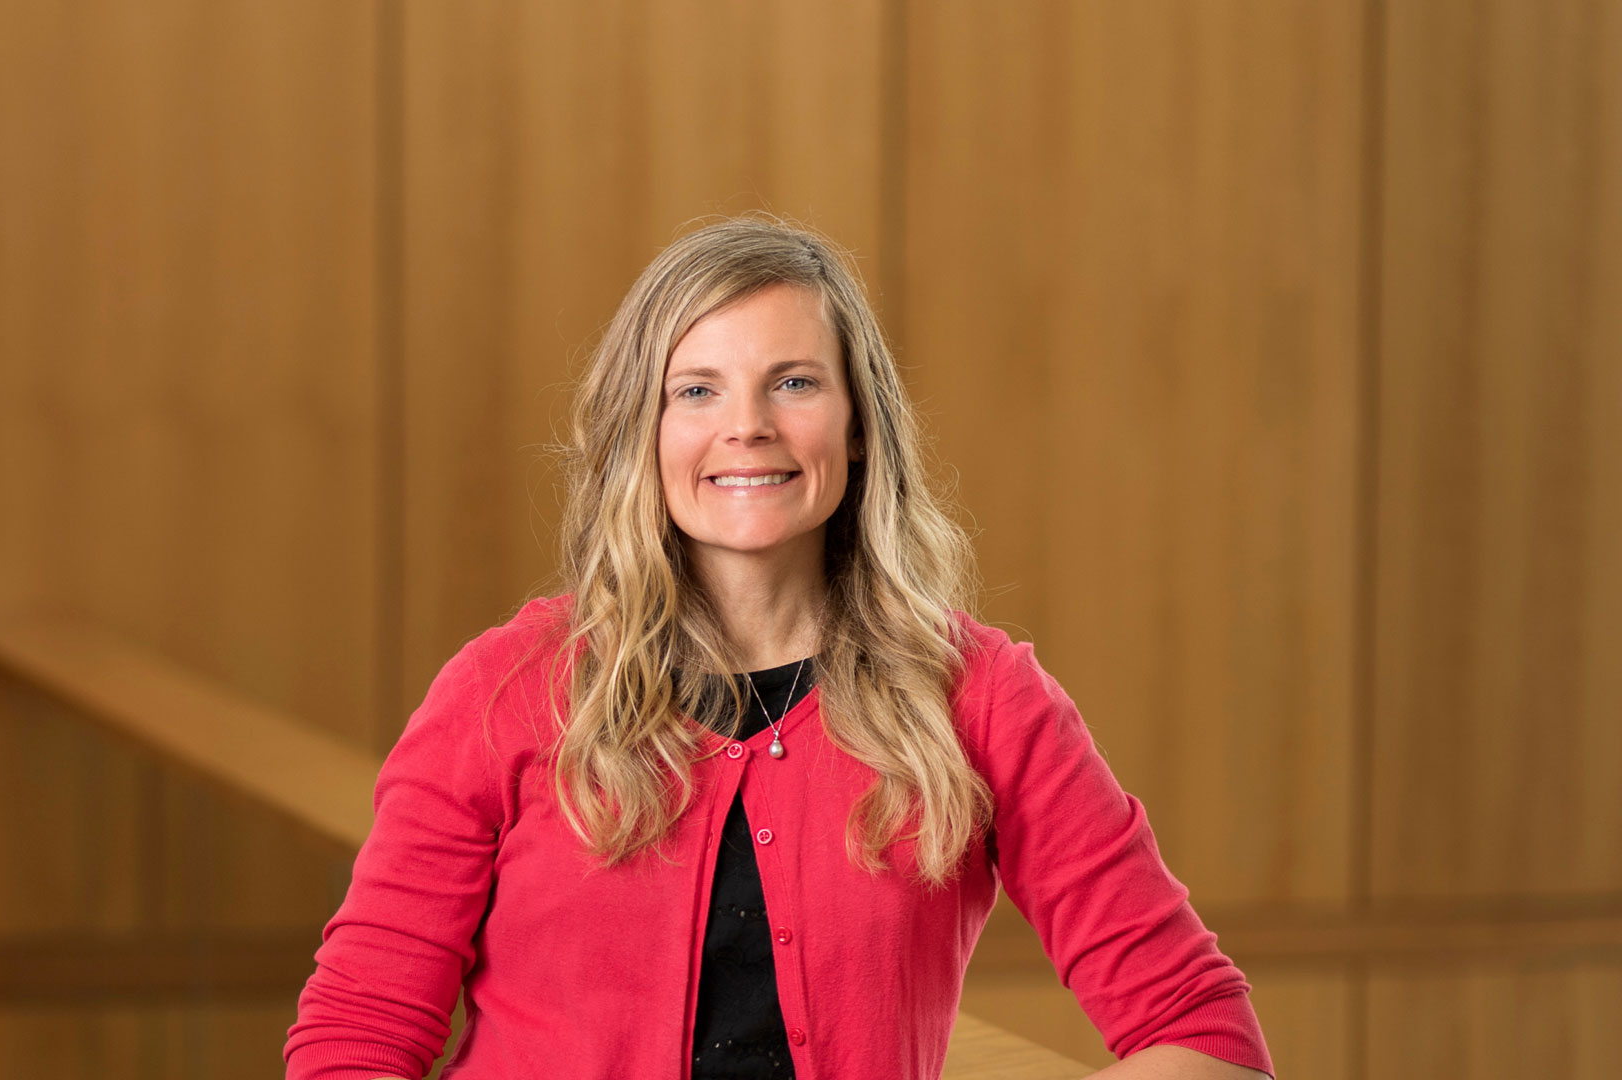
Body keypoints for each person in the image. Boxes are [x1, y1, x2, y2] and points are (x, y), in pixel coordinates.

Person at [284, 216, 1276, 1080]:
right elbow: (354, 1040)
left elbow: (1207, 1040)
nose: (747, 428)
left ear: (856, 429)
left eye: (793, 382)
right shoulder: (506, 689)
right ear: (644, 431)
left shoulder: (978, 699)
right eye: (698, 391)